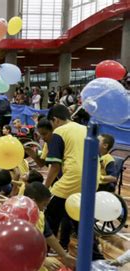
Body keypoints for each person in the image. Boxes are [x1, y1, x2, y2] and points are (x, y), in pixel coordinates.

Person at [45, 105, 103, 259]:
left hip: (73, 178)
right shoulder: (85, 129)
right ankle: (97, 258)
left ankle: (45, 251)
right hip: (93, 177)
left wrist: (45, 188)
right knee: (79, 218)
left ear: (55, 120)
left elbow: (55, 166)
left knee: (49, 214)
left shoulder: (59, 132)